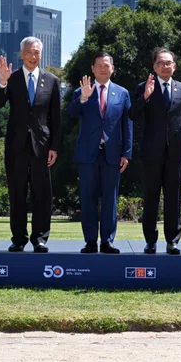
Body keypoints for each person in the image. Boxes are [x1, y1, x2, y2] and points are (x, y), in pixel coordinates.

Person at [0, 37, 61, 253]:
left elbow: (56, 118)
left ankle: (40, 237)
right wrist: (2, 83)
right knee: (17, 193)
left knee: (42, 194)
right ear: (21, 54)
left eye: (37, 53)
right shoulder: (11, 79)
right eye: (29, 52)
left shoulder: (51, 80)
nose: (33, 56)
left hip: (42, 146)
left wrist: (55, 147)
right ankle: (19, 238)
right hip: (16, 145)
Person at [68, 52, 131, 254]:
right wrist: (83, 99)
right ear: (93, 69)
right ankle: (90, 241)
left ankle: (107, 241)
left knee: (110, 199)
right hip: (88, 154)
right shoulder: (82, 90)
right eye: (99, 66)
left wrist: (126, 153)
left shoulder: (122, 93)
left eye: (107, 65)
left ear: (112, 68)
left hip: (112, 154)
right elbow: (70, 114)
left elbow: (127, 124)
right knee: (87, 198)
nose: (103, 69)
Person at [130, 48, 181, 255]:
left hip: (175, 153)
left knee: (174, 198)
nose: (165, 66)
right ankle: (150, 240)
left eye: (169, 63)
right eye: (161, 63)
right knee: (151, 197)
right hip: (151, 152)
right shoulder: (144, 87)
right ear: (154, 66)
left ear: (174, 66)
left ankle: (173, 241)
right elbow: (132, 114)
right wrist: (145, 97)